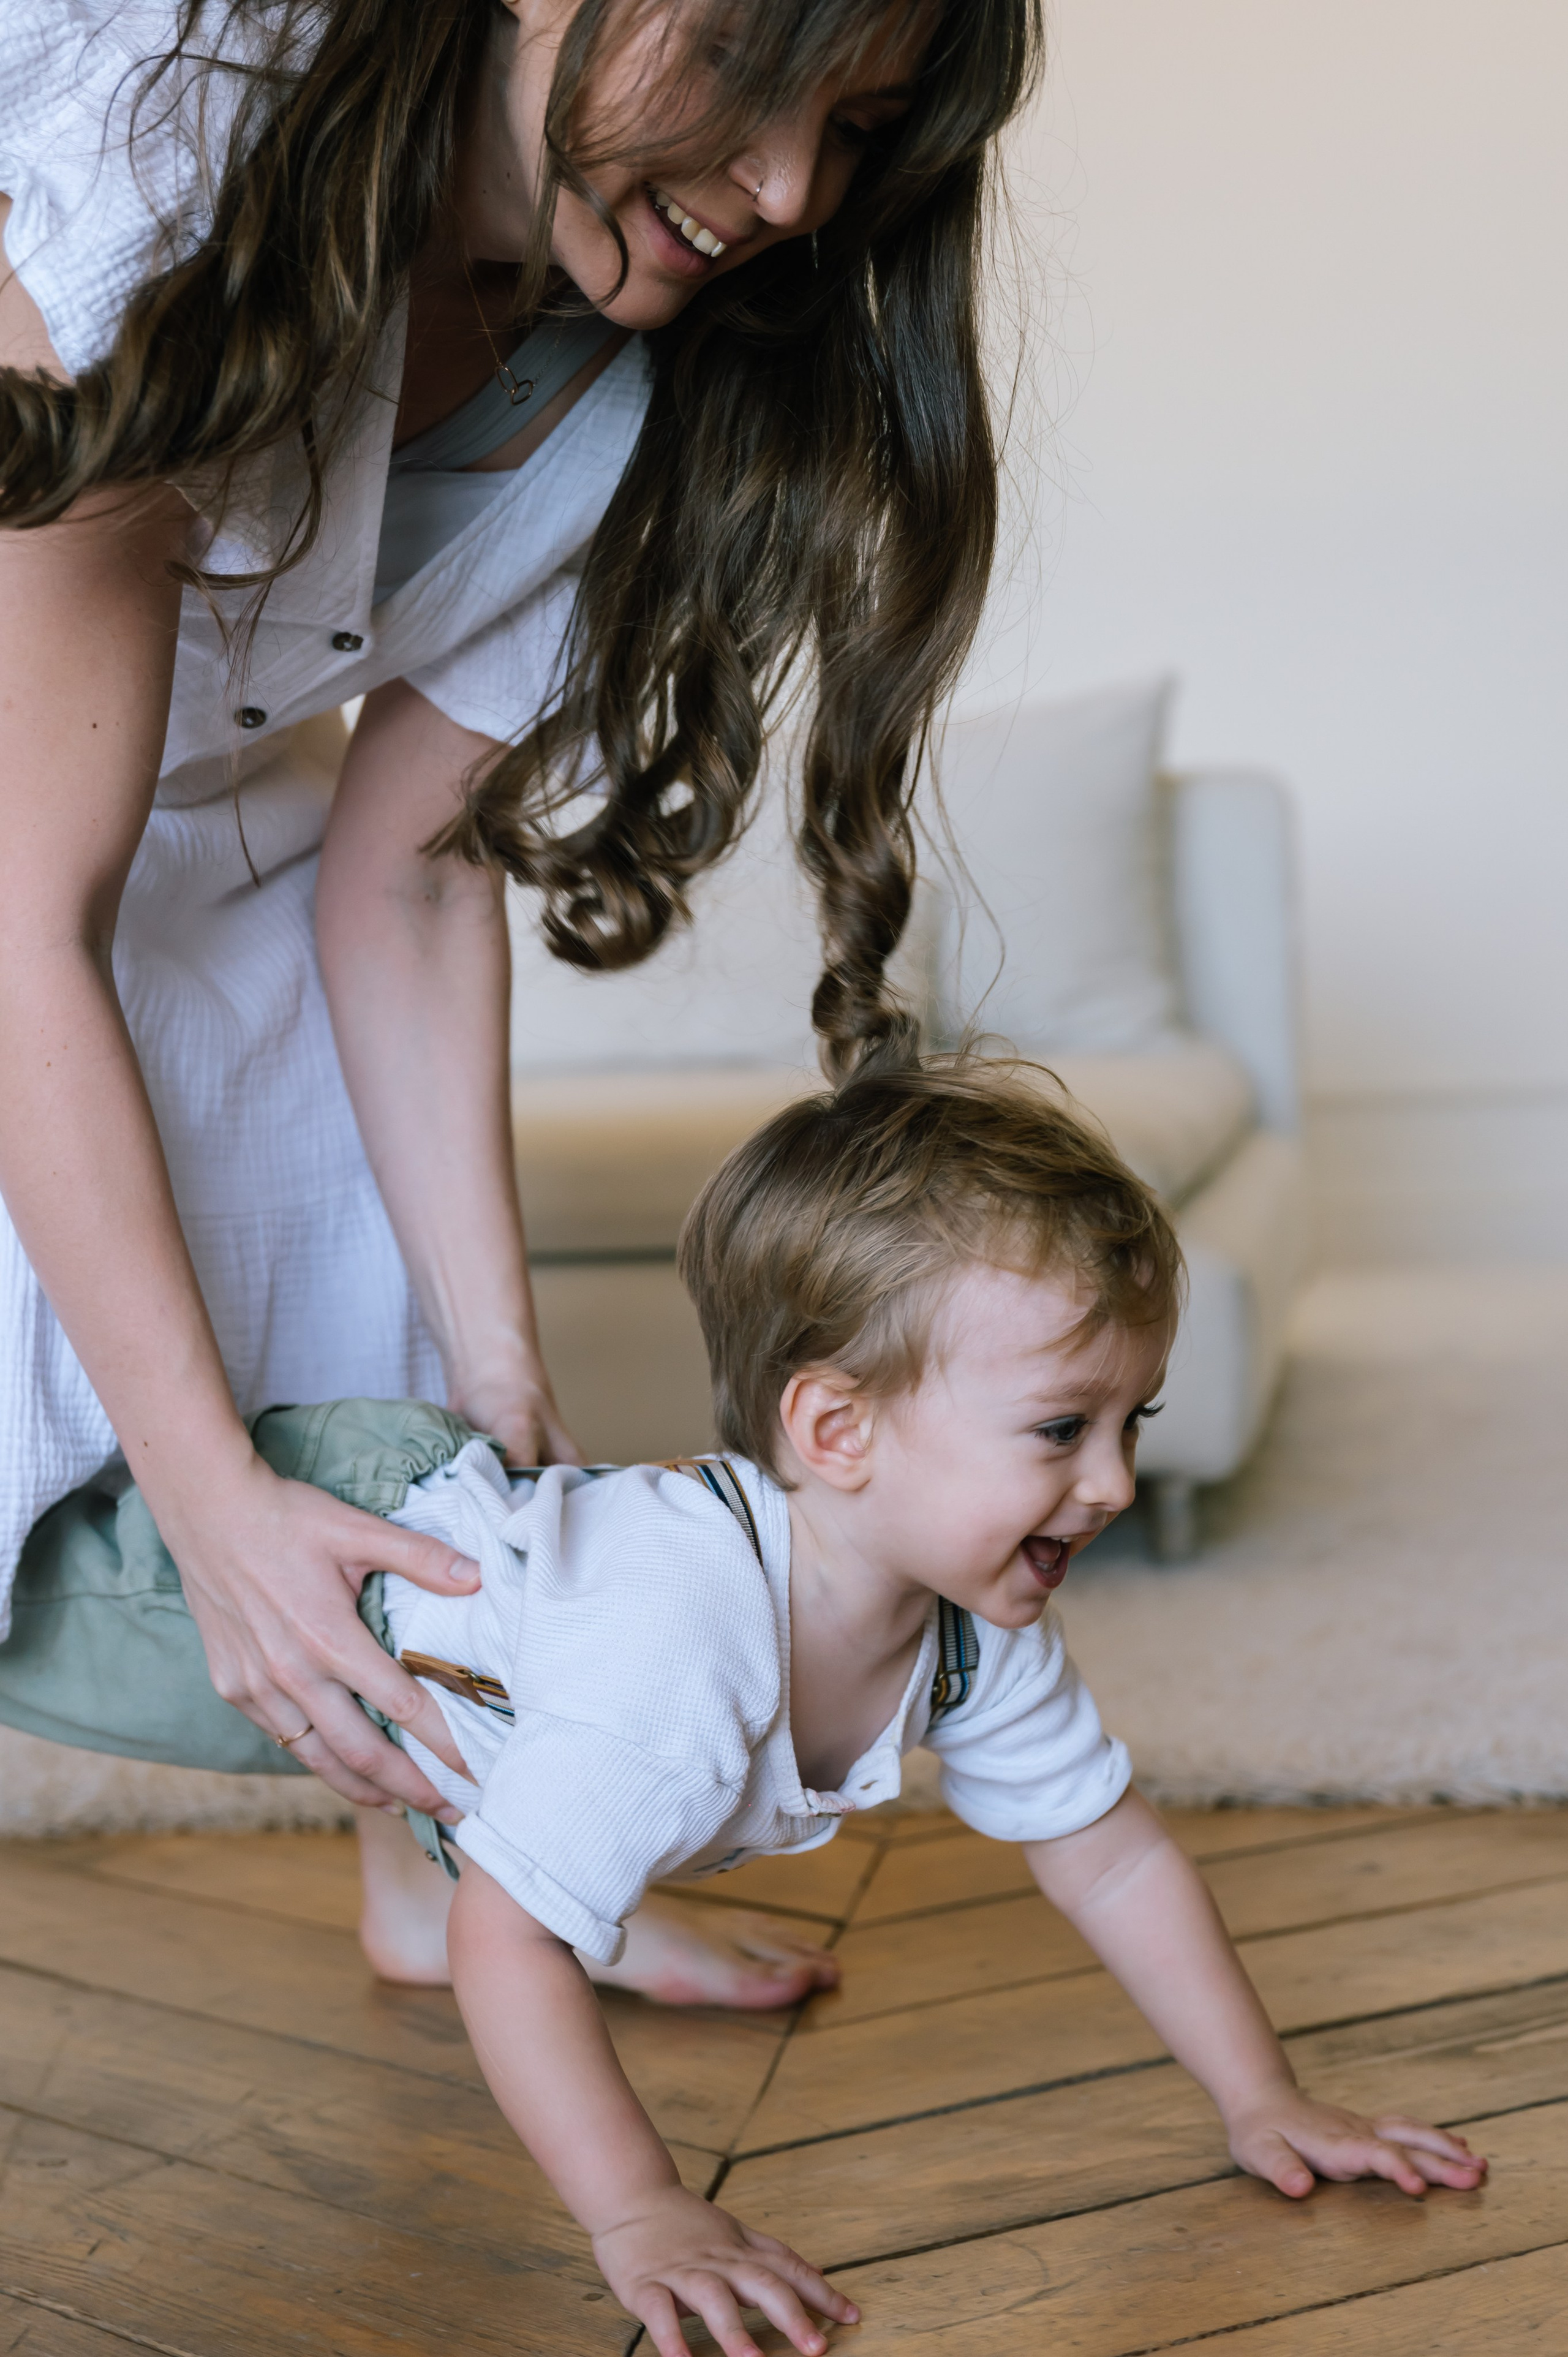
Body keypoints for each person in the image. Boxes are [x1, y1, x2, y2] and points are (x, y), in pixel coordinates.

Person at [0, 0, 1033, 1999]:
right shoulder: (168, 162)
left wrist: (505, 1389)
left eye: (857, 127)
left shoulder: (621, 388)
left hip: (188, 828)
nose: (791, 187)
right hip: (17, 859)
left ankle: (450, 1869)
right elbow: (25, 918)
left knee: (390, 1332)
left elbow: (404, 876)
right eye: (748, 66)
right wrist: (214, 1508)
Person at [0, 1057, 1489, 2357]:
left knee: (547, 1828)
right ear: (835, 1429)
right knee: (21, 1609)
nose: (1109, 1483)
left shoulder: (969, 1631)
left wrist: (1261, 2095)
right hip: (361, 1577)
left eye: (1128, 1421)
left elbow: (1108, 1856)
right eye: (1059, 1429)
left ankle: (419, 1880)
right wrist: (641, 2211)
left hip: (479, 1694)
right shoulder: (681, 1650)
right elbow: (507, 1940)